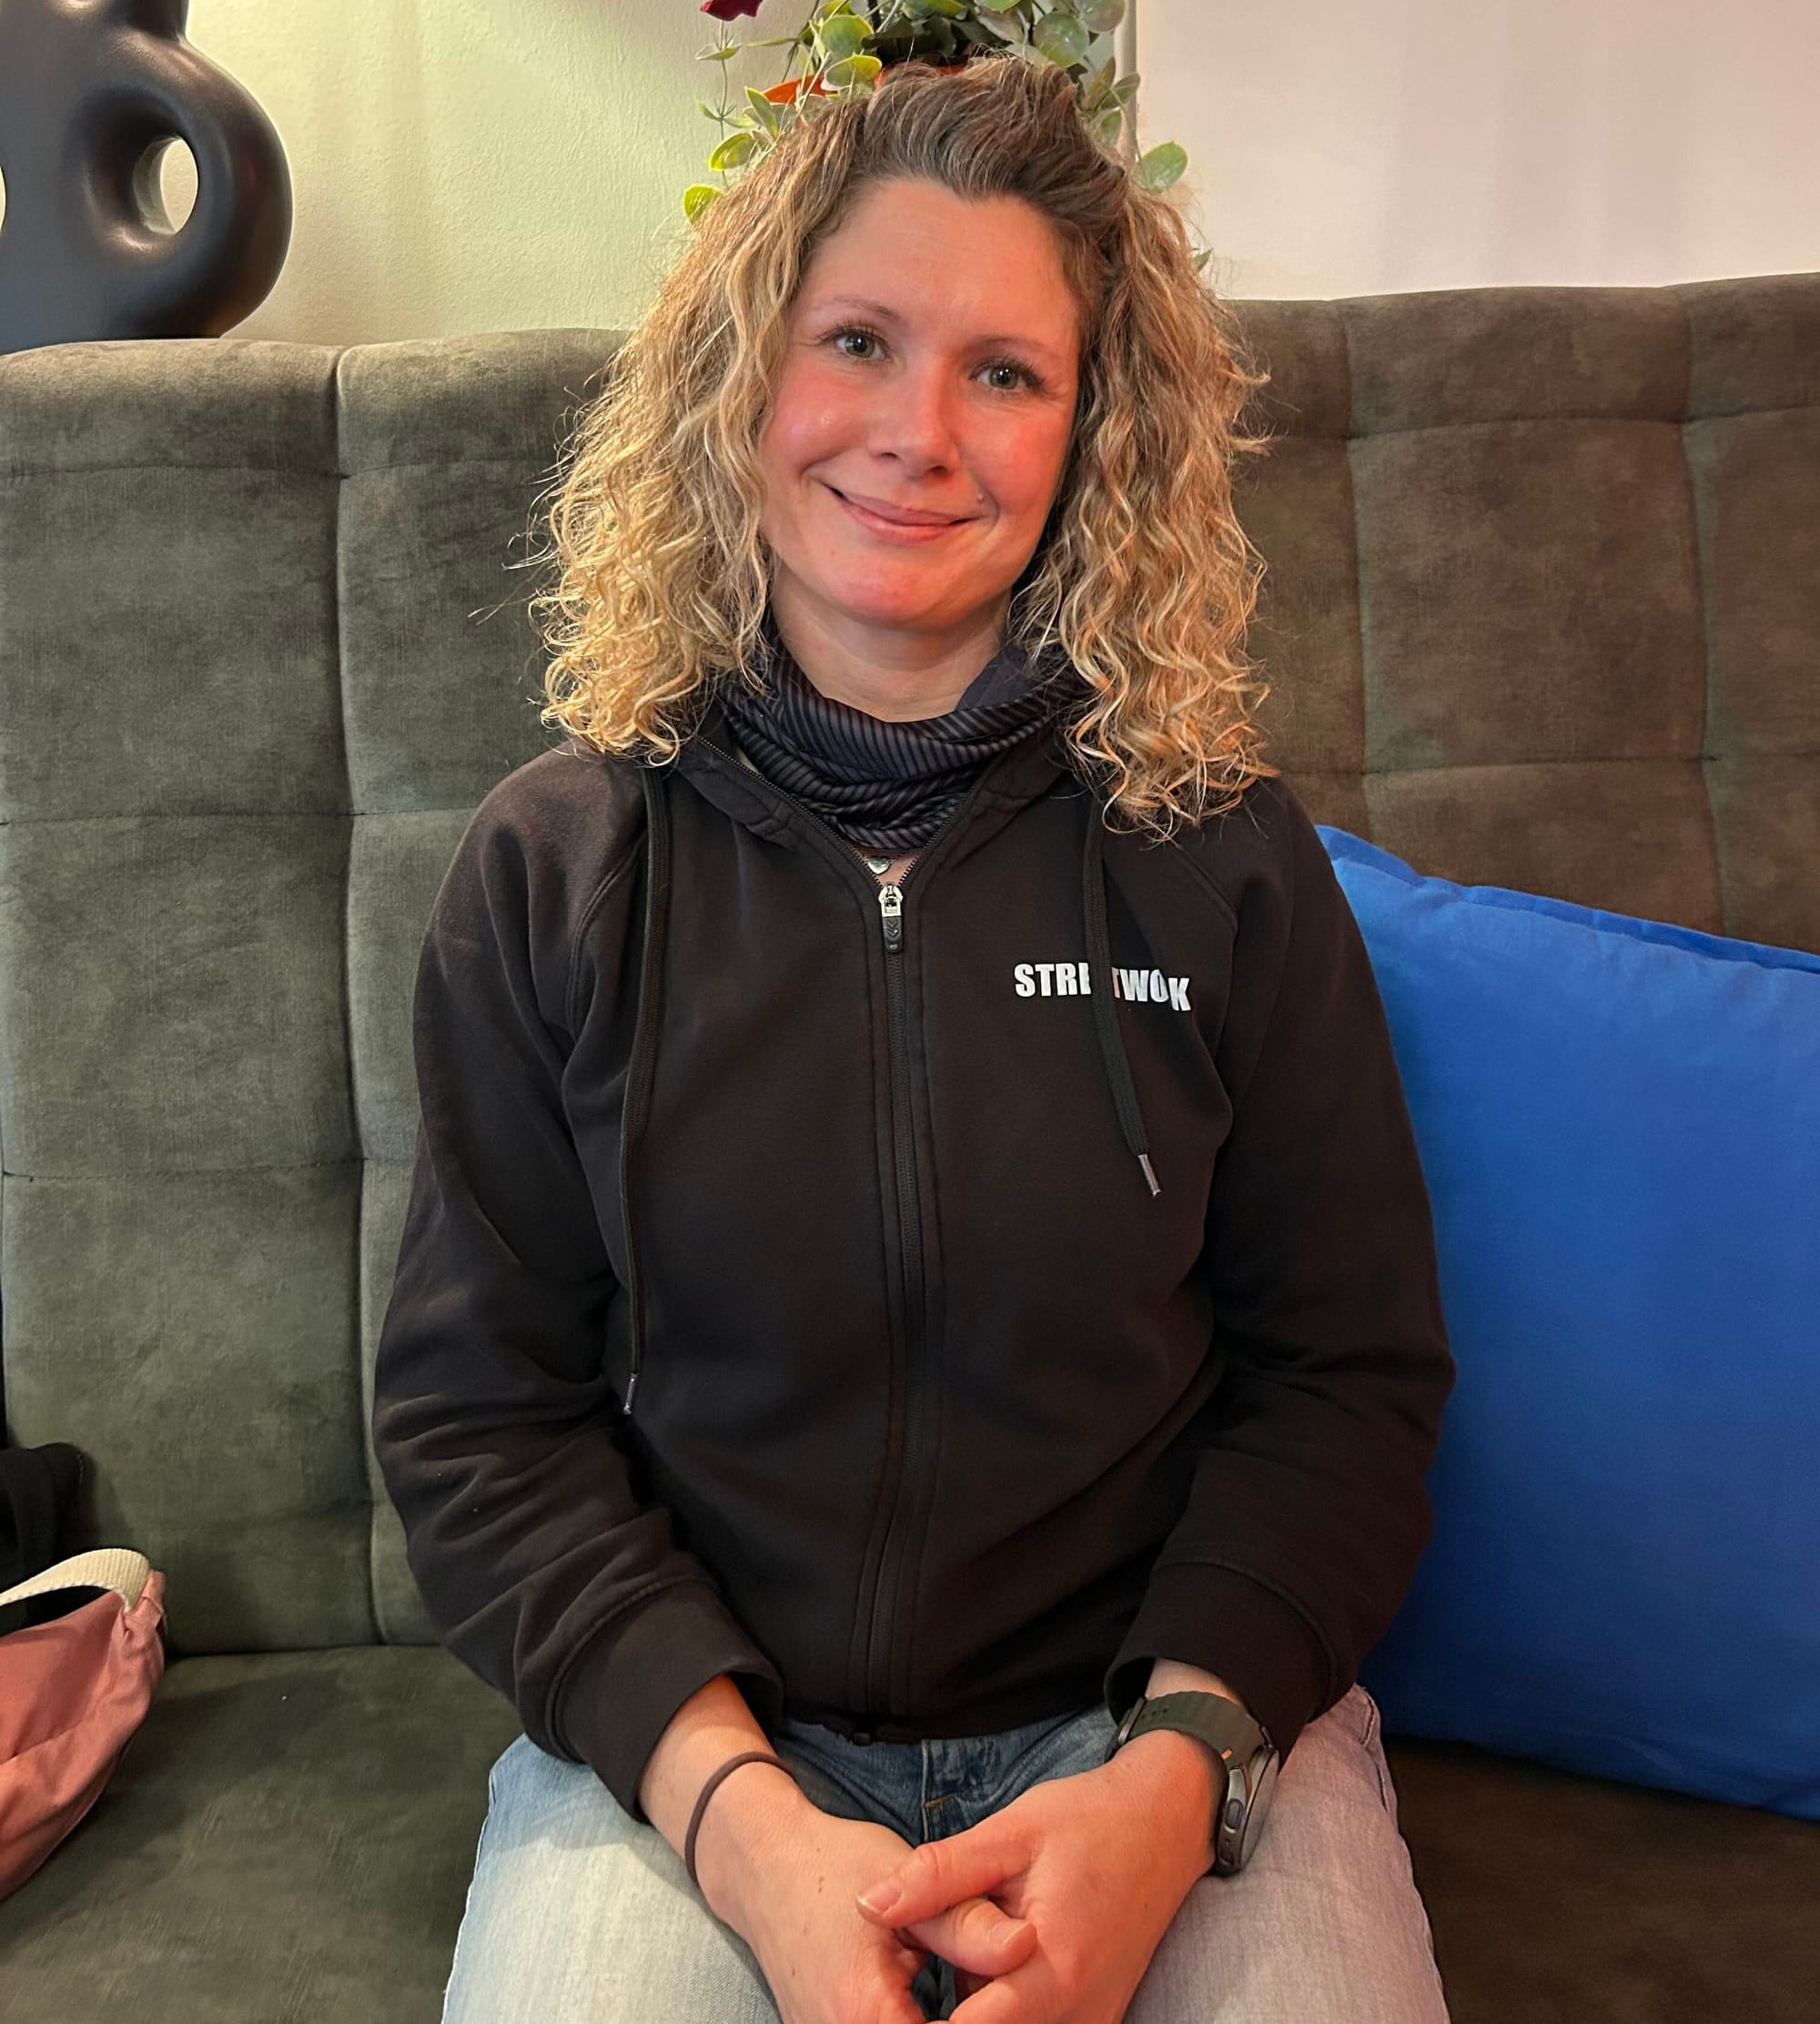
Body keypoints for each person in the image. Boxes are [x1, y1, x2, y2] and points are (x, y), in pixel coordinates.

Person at [371, 51, 1456, 2024]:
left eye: (1006, 372)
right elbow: (479, 1414)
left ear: (1090, 437)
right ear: (743, 381)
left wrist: (1173, 1778)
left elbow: (1348, 1380)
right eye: (857, 340)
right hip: (708, 1753)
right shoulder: (558, 863)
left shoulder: (1220, 856)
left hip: (1159, 1726)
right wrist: (742, 1824)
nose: (916, 434)